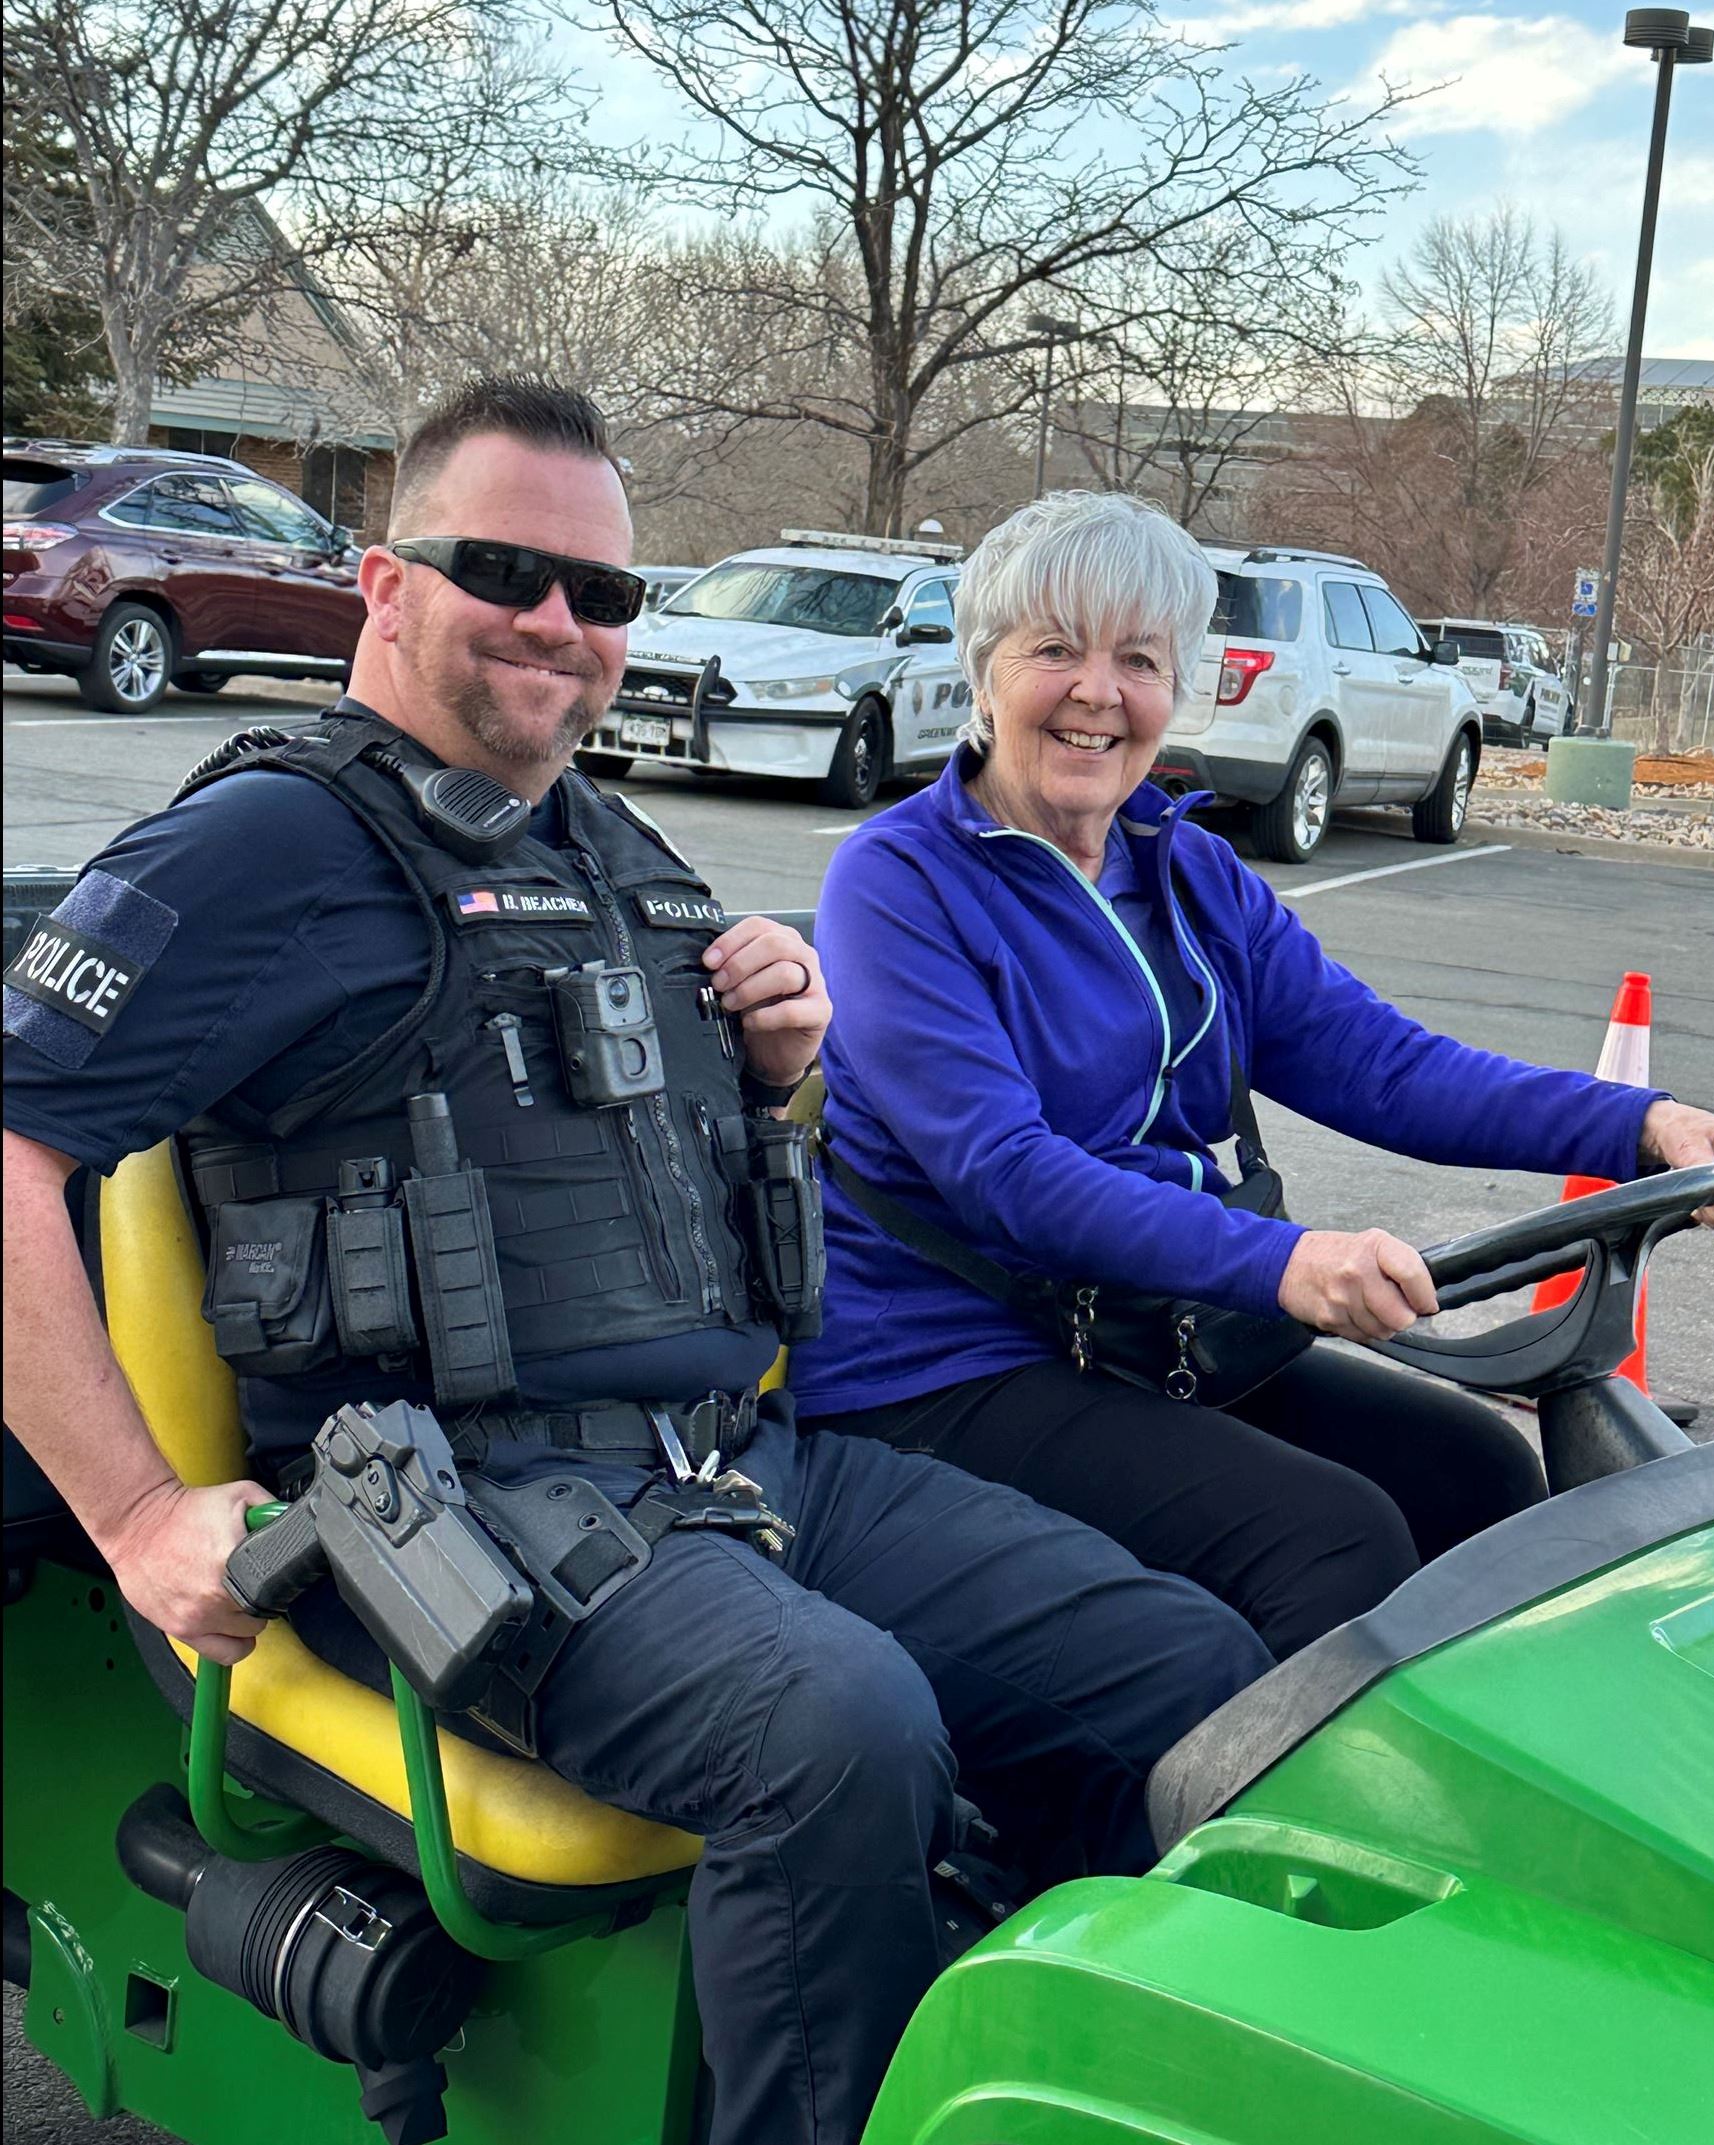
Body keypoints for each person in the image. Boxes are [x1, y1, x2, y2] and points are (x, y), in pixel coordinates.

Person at [1, 394, 1272, 2145]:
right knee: (837, 1733)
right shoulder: (262, 850)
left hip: (729, 1470)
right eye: (505, 571)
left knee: (1189, 1677)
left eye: (603, 594)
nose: (561, 625)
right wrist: (142, 1517)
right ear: (382, 582)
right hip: (447, 1521)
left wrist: (776, 1069)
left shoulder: (606, 856)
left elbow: (664, 1173)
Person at [794, 490, 1714, 1659]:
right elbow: (1003, 1174)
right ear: (983, 671)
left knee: (1474, 1472)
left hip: (1138, 1329)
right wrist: (1284, 1263)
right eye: (1053, 649)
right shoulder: (899, 882)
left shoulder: (1186, 869)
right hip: (942, 1363)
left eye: (1138, 659)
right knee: (1331, 1541)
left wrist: (1648, 1126)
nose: (1096, 692)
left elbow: (1383, 1067)